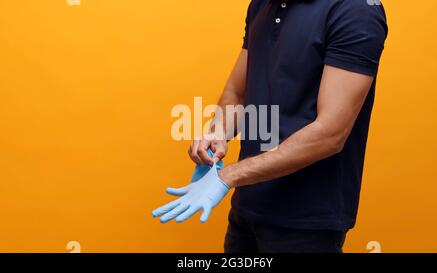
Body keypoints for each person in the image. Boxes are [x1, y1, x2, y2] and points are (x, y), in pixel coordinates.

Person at [153, 0, 388, 253]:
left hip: (306, 223)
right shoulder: (262, 5)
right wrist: (217, 133)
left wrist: (228, 176)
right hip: (247, 209)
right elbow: (237, 92)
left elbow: (330, 134)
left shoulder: (356, 11)